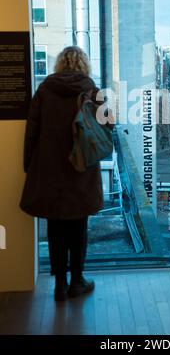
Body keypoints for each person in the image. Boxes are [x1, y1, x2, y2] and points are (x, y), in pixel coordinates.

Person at [20, 46, 112, 302]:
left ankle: (60, 284)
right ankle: (77, 281)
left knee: (55, 227)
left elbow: (32, 132)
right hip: (80, 168)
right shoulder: (93, 91)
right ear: (84, 65)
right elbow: (108, 128)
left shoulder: (44, 90)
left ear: (59, 64)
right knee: (78, 226)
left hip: (49, 168)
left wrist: (29, 165)